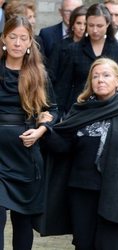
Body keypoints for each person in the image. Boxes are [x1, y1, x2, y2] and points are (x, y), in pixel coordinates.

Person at [39, 57, 118, 250]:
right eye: (95, 76)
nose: (100, 80)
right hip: (82, 191)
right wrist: (45, 129)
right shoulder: (81, 110)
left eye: (106, 75)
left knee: (110, 245)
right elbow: (64, 146)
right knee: (84, 245)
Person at [0, 16, 58, 250]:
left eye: (23, 38)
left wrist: (41, 130)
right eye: (12, 37)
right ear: (4, 39)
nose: (17, 42)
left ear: (29, 42)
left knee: (23, 218)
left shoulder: (38, 73)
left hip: (25, 153)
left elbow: (53, 109)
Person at [54, 3, 118, 119]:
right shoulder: (73, 49)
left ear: (108, 24)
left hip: (110, 109)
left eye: (99, 26)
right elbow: (63, 85)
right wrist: (58, 116)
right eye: (91, 25)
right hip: (79, 108)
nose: (95, 30)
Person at [48, 5, 87, 87]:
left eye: (85, 24)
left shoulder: (91, 48)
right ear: (73, 25)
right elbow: (51, 75)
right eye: (78, 23)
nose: (82, 27)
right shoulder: (59, 47)